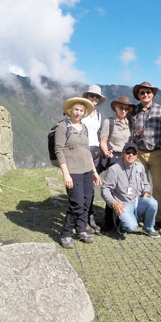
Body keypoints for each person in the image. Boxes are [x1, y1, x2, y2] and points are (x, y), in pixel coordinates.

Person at [55, 97, 101, 248]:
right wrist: (65, 174)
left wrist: (94, 171)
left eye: (81, 110)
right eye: (76, 109)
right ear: (70, 110)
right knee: (77, 203)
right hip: (73, 171)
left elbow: (87, 151)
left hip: (87, 170)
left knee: (87, 202)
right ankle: (66, 234)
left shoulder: (84, 128)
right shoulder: (63, 126)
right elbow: (59, 150)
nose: (78, 113)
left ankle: (81, 230)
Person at [130, 82, 161, 231]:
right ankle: (140, 215)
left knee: (158, 186)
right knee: (139, 186)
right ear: (139, 95)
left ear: (152, 94)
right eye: (142, 93)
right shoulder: (134, 111)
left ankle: (160, 218)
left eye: (148, 92)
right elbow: (130, 132)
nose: (145, 95)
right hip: (138, 153)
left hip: (155, 153)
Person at [100, 142, 160, 238]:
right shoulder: (114, 169)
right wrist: (114, 203)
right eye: (128, 152)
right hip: (123, 204)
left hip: (137, 201)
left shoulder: (140, 167)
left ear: (137, 155)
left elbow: (146, 184)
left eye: (134, 152)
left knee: (153, 203)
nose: (131, 155)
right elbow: (105, 190)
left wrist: (147, 192)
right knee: (131, 227)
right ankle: (120, 222)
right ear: (122, 154)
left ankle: (148, 228)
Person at [99, 95, 135, 231]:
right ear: (116, 107)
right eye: (121, 108)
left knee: (125, 188)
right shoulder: (109, 122)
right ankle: (108, 221)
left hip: (126, 158)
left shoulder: (129, 123)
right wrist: (106, 152)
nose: (124, 110)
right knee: (112, 188)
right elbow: (103, 141)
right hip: (114, 157)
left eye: (126, 108)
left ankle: (122, 218)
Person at [81, 84, 107, 231]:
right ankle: (83, 219)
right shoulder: (82, 112)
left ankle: (90, 216)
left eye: (97, 96)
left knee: (90, 187)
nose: (94, 99)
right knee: (85, 185)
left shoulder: (98, 115)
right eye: (92, 96)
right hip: (83, 151)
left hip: (95, 151)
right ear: (87, 97)